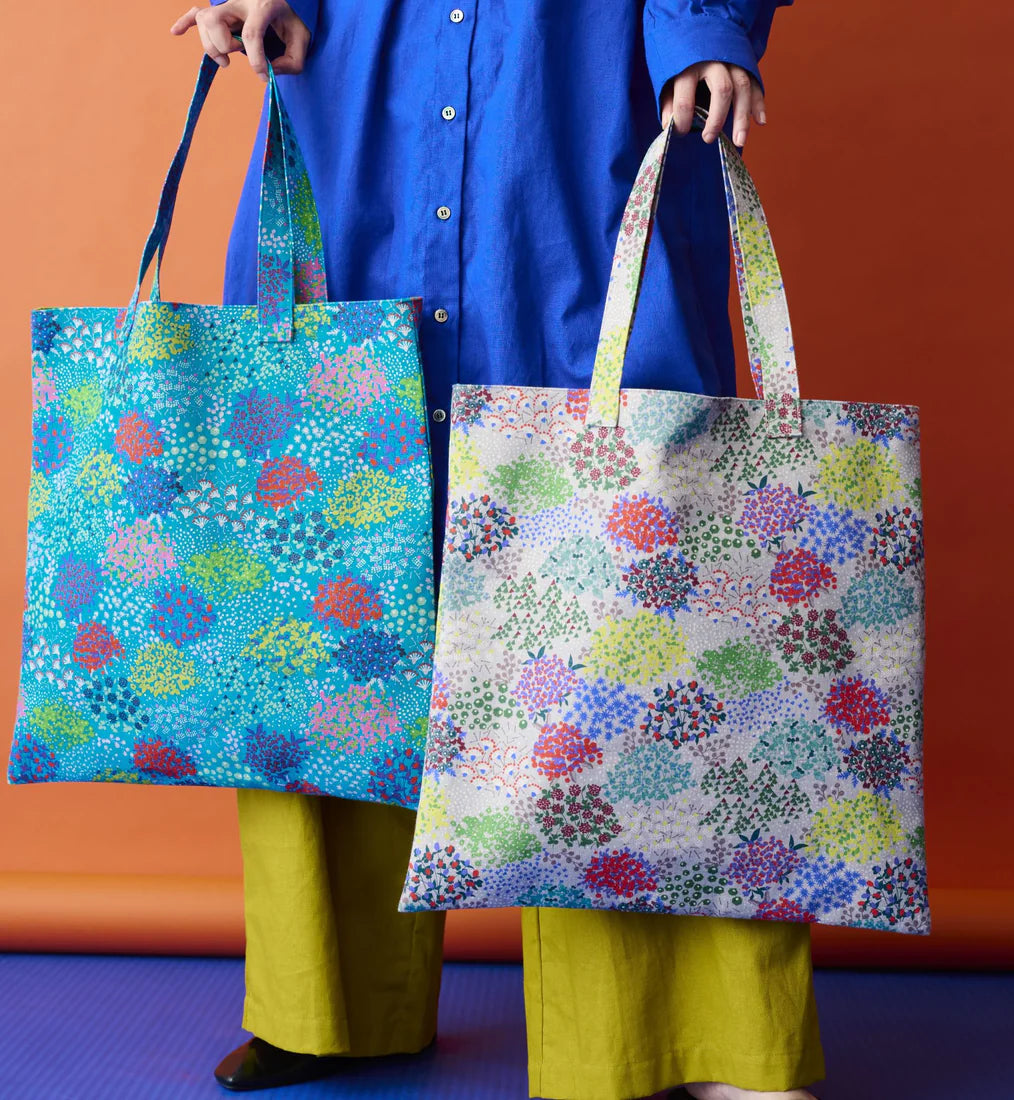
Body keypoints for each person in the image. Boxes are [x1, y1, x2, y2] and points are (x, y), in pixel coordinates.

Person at [170, 2, 825, 1098]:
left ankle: (681, 1029)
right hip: (355, 97)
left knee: (632, 566)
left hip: (579, 101)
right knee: (334, 570)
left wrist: (701, 22)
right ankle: (328, 999)